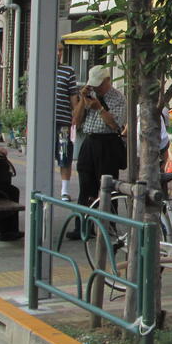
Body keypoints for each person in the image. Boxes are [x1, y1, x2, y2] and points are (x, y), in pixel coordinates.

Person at [68, 65, 127, 239]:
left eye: (99, 84)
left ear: (107, 81)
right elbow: (76, 121)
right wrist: (81, 99)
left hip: (108, 143)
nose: (96, 88)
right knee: (85, 185)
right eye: (93, 84)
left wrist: (99, 108)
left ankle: (109, 227)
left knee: (107, 187)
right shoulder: (89, 94)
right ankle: (82, 227)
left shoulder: (118, 98)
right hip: (89, 141)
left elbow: (116, 125)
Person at [55, 42, 79, 201]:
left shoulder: (68, 71)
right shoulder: (40, 68)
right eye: (56, 50)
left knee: (65, 155)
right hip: (43, 122)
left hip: (63, 121)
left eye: (61, 50)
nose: (59, 53)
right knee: (42, 154)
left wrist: (75, 118)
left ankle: (64, 190)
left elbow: (73, 99)